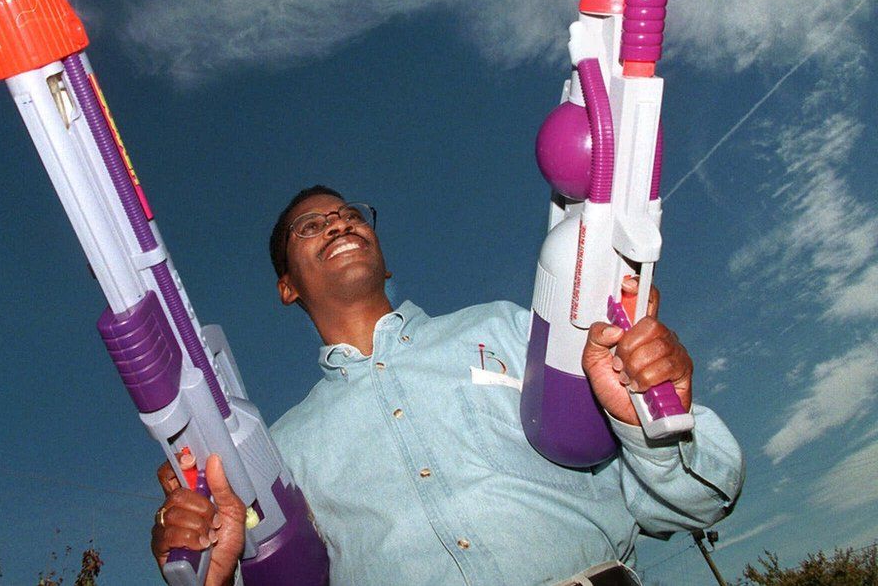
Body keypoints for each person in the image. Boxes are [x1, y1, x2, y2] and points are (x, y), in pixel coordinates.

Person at [151, 186, 744, 585]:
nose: (338, 221)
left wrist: (652, 418)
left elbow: (701, 499)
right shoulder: (275, 454)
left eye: (351, 214)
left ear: (383, 260)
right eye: (311, 226)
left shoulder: (511, 328)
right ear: (287, 287)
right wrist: (217, 565)